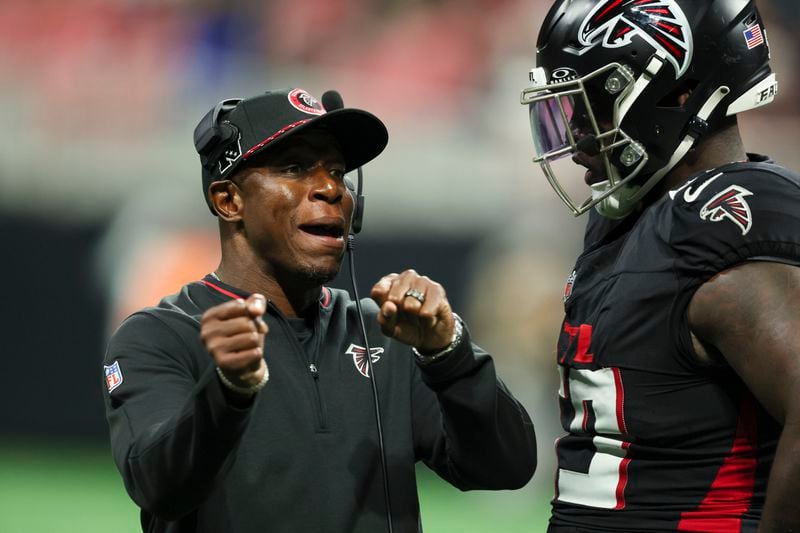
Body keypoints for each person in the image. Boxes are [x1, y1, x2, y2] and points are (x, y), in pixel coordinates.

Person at [102, 88, 537, 533]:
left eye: (336, 171)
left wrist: (451, 355)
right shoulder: (159, 337)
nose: (330, 188)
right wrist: (226, 392)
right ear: (229, 201)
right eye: (295, 168)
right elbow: (159, 487)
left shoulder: (386, 332)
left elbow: (504, 468)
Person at [520, 1, 800, 531]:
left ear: (677, 93)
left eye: (592, 104)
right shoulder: (632, 220)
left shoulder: (729, 217)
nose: (576, 134)